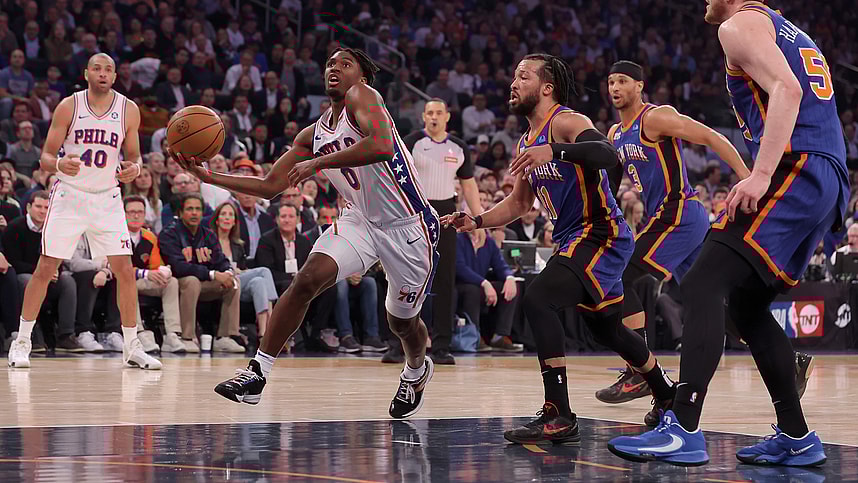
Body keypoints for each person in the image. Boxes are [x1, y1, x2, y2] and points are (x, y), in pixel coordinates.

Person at [608, 1, 847, 467]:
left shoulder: (739, 23)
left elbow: (787, 90)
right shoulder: (788, 29)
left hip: (795, 167)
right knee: (747, 304)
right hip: (825, 177)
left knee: (701, 282)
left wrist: (759, 174)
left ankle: (682, 427)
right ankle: (797, 437)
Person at [172, 48, 439, 419]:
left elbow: (381, 144)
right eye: (330, 63)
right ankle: (258, 372)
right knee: (307, 279)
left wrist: (321, 161)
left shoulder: (364, 97)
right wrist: (208, 176)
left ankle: (415, 370)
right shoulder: (312, 135)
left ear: (361, 77)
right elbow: (269, 186)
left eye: (345, 64)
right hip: (360, 220)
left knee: (401, 322)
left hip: (407, 225)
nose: (335, 68)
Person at [444, 53, 675, 444]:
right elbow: (519, 205)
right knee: (606, 329)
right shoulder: (525, 141)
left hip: (600, 232)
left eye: (523, 76)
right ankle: (667, 392)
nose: (513, 83)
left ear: (546, 88)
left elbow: (606, 154)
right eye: (514, 76)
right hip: (575, 239)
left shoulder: (567, 122)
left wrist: (556, 151)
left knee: (538, 299)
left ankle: (559, 413)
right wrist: (477, 220)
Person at [595, 60, 749, 408]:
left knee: (618, 274)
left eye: (622, 81)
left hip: (679, 213)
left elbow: (710, 136)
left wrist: (746, 174)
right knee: (705, 297)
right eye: (610, 82)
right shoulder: (615, 134)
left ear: (639, 85)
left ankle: (640, 370)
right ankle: (788, 357)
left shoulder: (655, 117)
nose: (615, 88)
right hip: (669, 219)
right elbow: (612, 180)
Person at [7, 53, 161, 370]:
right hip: (70, 196)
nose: (103, 73)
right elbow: (46, 156)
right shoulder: (69, 106)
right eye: (97, 68)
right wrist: (59, 164)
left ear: (115, 77)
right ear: (86, 73)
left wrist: (133, 169)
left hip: (107, 197)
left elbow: (135, 158)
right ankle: (21, 341)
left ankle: (132, 346)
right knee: (46, 268)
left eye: (108, 69)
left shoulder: (128, 110)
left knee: (125, 270)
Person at [388, 98, 482, 365]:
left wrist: (479, 220)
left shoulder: (459, 147)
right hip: (414, 213)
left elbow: (469, 185)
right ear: (423, 117)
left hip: (447, 215)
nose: (434, 117)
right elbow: (395, 178)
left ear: (447, 116)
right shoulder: (411, 142)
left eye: (439, 112)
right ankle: (397, 344)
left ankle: (441, 345)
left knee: (444, 280)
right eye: (430, 113)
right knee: (403, 278)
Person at [158, 193, 245, 353]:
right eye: (190, 209)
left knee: (233, 282)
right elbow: (178, 267)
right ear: (181, 212)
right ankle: (187, 337)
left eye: (198, 209)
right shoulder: (169, 233)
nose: (194, 213)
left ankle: (225, 337)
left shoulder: (208, 234)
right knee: (192, 281)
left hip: (204, 283)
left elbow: (221, 259)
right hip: (178, 284)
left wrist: (227, 272)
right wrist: (212, 274)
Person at [124, 195, 187, 353]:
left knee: (171, 282)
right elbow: (116, 268)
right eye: (131, 212)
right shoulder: (116, 236)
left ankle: (172, 335)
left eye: (140, 212)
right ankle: (139, 333)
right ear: (123, 214)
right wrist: (145, 273)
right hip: (123, 282)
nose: (136, 215)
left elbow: (155, 265)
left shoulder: (149, 237)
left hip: (142, 280)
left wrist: (162, 272)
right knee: (127, 283)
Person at [212, 201, 278, 338]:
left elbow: (242, 268)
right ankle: (273, 322)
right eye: (223, 214)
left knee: (259, 282)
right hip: (219, 281)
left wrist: (241, 272)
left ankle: (263, 333)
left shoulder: (238, 245)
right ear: (217, 220)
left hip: (238, 285)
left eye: (230, 215)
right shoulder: (210, 241)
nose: (226, 217)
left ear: (234, 222)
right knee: (264, 271)